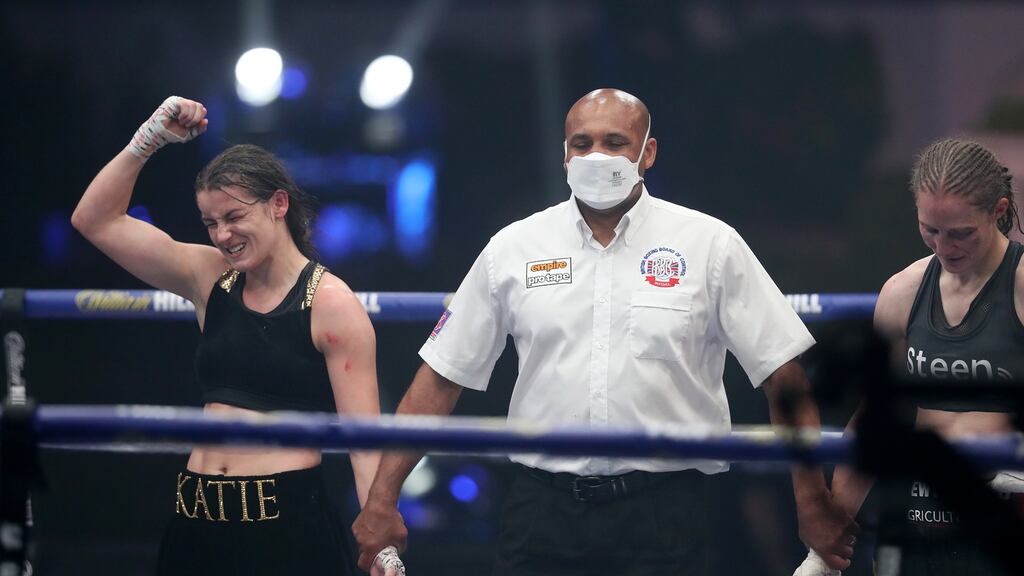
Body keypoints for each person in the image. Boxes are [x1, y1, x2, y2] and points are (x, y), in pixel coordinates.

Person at [352, 88, 857, 575]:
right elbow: (441, 377)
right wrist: (381, 501)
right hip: (541, 512)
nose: (597, 155)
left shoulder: (710, 245)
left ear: (647, 152)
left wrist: (811, 499)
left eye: (615, 142)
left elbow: (783, 373)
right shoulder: (514, 247)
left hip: (667, 512)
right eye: (582, 143)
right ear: (564, 154)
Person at [71, 96, 402, 576]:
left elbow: (364, 439)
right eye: (211, 223)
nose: (222, 236)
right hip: (194, 520)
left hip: (283, 526)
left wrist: (382, 544)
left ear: (278, 206)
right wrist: (149, 139)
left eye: (233, 217)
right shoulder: (209, 277)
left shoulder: (332, 304)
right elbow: (94, 220)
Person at [800, 138, 1024, 576]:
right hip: (919, 521)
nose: (944, 247)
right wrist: (823, 553)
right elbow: (873, 418)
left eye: (960, 233)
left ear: (998, 211)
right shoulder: (903, 291)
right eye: (931, 230)